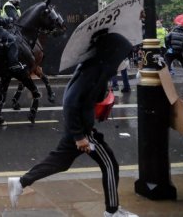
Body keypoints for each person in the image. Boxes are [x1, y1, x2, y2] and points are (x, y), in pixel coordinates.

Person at [8, 32, 138, 217]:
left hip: (80, 128)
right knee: (110, 164)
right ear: (113, 54)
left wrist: (103, 93)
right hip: (83, 131)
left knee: (60, 162)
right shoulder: (92, 70)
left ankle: (20, 182)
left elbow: (91, 97)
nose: (124, 61)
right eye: (122, 56)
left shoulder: (98, 69)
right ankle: (112, 212)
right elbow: (70, 101)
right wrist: (79, 136)